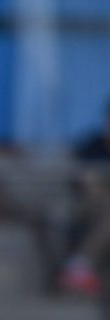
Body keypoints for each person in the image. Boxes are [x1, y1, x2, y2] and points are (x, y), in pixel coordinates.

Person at [58, 100, 110, 297]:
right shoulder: (92, 146)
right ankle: (78, 268)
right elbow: (84, 183)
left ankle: (79, 266)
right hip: (83, 207)